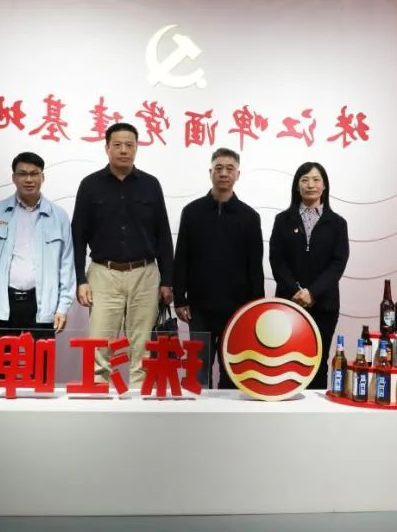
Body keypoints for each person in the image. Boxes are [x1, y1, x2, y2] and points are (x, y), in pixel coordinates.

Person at [71, 122, 173, 388]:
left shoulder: (151, 185)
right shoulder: (90, 185)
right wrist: (80, 279)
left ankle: (140, 401)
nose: (124, 150)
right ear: (107, 148)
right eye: (117, 145)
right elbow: (78, 236)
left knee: (144, 346)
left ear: (137, 148)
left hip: (144, 273)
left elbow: (163, 235)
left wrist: (167, 281)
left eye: (129, 145)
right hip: (103, 274)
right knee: (99, 344)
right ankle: (98, 397)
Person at [0, 152, 75, 382]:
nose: (29, 179)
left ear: (42, 177)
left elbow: (66, 265)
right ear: (14, 178)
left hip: (41, 303)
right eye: (23, 174)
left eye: (34, 174)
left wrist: (62, 307)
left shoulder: (58, 216)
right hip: (3, 303)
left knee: (41, 375)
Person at [173, 148, 264, 389]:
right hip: (199, 308)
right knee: (198, 372)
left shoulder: (249, 217)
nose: (224, 173)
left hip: (236, 309)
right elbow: (181, 257)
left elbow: (255, 267)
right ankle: (198, 412)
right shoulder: (192, 212)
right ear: (210, 172)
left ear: (238, 175)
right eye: (219, 168)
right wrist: (179, 298)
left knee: (233, 371)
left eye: (229, 169)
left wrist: (256, 306)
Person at [268, 161, 350, 390]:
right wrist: (296, 291)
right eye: (304, 180)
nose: (310, 185)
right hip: (289, 302)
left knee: (317, 362)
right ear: (297, 186)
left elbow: (338, 263)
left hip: (324, 305)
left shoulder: (337, 224)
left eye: (316, 180)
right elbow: (277, 260)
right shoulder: (283, 220)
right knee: (285, 359)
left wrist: (313, 293)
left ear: (324, 186)